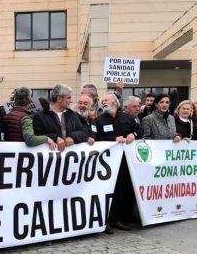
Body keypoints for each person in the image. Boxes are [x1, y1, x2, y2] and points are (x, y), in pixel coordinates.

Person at [93, 93, 138, 233]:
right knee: (107, 190)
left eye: (106, 100)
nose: (103, 103)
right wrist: (113, 139)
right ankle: (104, 220)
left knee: (121, 190)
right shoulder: (99, 120)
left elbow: (139, 130)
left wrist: (133, 135)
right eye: (102, 101)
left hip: (125, 161)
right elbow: (97, 138)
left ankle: (116, 219)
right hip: (106, 162)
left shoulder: (127, 118)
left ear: (115, 103)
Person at [29, 84, 91, 151]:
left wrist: (72, 137)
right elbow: (36, 136)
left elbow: (84, 133)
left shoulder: (72, 115)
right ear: (59, 99)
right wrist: (55, 138)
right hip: (49, 159)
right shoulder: (39, 116)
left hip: (69, 159)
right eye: (68, 98)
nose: (71, 101)